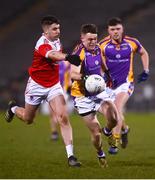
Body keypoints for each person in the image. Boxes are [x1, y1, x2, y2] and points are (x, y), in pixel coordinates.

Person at [5, 15, 82, 167]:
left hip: (53, 85)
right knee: (28, 119)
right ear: (46, 31)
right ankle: (13, 108)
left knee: (63, 117)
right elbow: (52, 54)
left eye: (58, 28)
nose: (58, 31)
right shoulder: (42, 43)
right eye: (54, 29)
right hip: (36, 85)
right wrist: (68, 57)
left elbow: (56, 55)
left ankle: (71, 156)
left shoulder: (56, 39)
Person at [70, 24, 119, 167]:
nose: (92, 42)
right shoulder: (78, 53)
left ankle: (108, 131)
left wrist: (108, 74)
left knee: (114, 117)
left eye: (94, 39)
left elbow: (102, 62)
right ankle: (100, 153)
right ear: (82, 38)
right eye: (89, 39)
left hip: (98, 90)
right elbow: (72, 73)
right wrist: (85, 78)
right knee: (96, 133)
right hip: (82, 96)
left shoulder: (97, 48)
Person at [99, 17, 149, 154]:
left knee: (117, 107)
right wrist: (102, 74)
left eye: (118, 29)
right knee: (112, 115)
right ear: (108, 30)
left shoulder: (132, 42)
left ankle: (114, 141)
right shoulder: (102, 45)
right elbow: (98, 62)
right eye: (112, 29)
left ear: (122, 29)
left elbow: (143, 52)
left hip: (126, 84)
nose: (115, 32)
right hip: (109, 85)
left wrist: (146, 70)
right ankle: (125, 129)